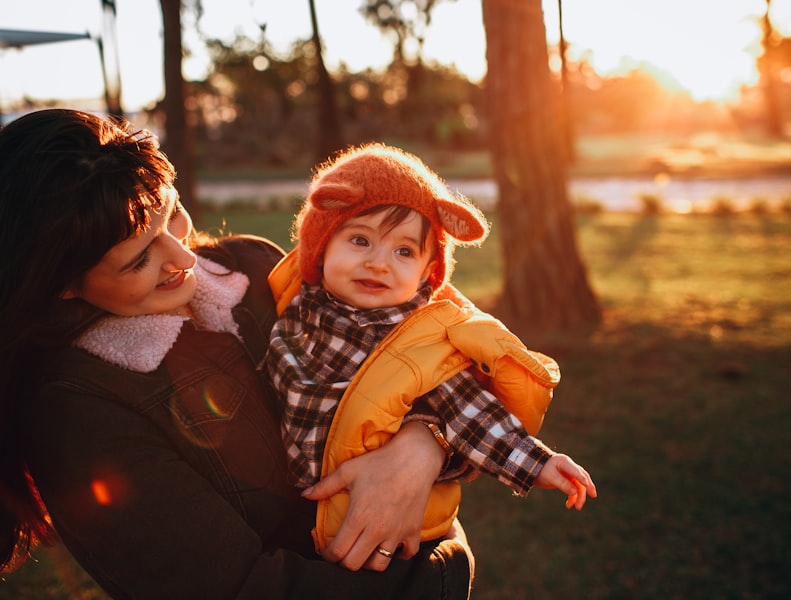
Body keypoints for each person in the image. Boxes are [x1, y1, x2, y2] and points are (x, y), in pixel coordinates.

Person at [0, 109, 474, 599]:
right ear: (59, 284)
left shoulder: (254, 267)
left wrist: (425, 445)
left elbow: (438, 352)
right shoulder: (75, 411)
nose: (185, 258)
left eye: (174, 214)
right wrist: (443, 571)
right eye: (140, 258)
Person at [266, 143, 597, 552]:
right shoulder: (296, 306)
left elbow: (471, 412)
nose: (379, 263)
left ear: (428, 271)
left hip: (379, 519)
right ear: (322, 245)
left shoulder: (419, 339)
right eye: (359, 240)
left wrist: (538, 464)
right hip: (296, 512)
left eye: (404, 251)